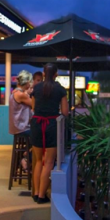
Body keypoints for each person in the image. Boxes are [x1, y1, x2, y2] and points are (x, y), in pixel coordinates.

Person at [30, 63, 68, 204]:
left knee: (39, 160)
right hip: (52, 125)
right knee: (49, 162)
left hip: (37, 123)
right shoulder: (60, 89)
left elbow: (33, 107)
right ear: (56, 74)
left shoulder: (36, 88)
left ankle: (35, 194)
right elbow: (65, 112)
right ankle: (41, 195)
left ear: (44, 74)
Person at [10, 71, 35, 181]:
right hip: (22, 128)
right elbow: (35, 105)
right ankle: (26, 158)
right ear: (27, 83)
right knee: (42, 138)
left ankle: (25, 155)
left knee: (38, 138)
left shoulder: (15, 92)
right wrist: (29, 94)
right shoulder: (21, 94)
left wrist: (28, 93)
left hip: (17, 128)